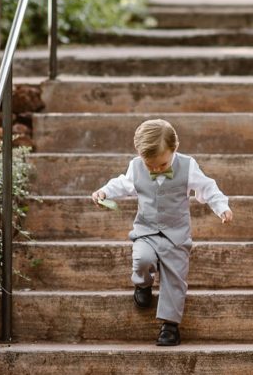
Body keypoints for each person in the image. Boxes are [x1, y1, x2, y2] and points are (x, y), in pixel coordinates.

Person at [91, 118, 233, 347]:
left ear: (175, 148)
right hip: (146, 230)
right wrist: (104, 192)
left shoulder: (188, 166)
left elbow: (208, 187)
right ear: (140, 155)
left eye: (162, 164)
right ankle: (143, 284)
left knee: (175, 278)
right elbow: (123, 184)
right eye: (150, 165)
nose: (156, 169)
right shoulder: (136, 166)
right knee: (142, 259)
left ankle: (170, 325)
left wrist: (222, 208)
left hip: (176, 235)